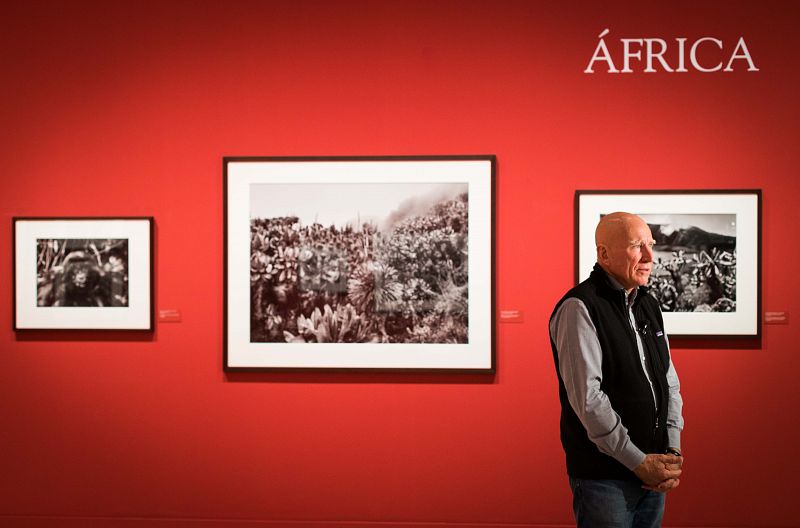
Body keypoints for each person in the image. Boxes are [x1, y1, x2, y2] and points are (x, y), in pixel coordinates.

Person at [549, 212, 685, 527]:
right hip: (605, 479)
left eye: (651, 245)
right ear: (604, 254)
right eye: (638, 246)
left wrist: (671, 447)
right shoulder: (579, 308)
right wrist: (638, 462)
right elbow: (589, 399)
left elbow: (668, 382)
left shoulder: (648, 304)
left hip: (653, 473)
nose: (651, 257)